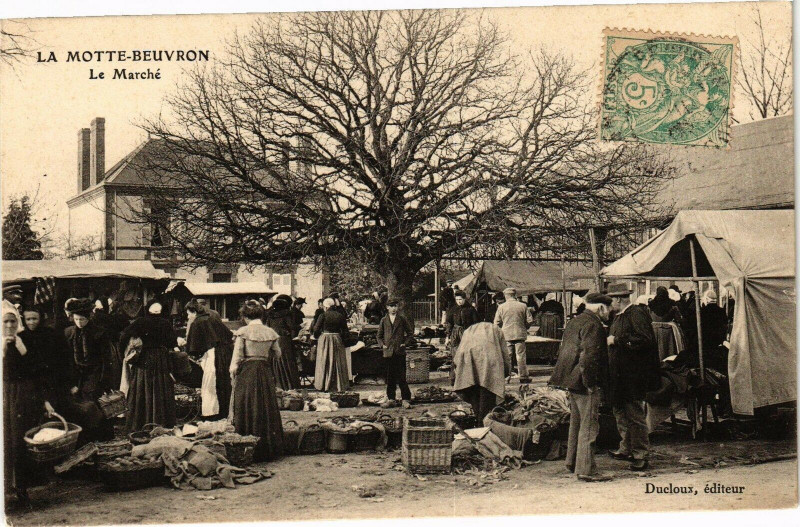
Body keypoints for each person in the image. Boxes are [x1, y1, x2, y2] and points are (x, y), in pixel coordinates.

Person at [548, 293, 612, 482]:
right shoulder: (595, 325)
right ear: (601, 308)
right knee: (589, 426)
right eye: (609, 309)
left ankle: (572, 461)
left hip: (570, 379)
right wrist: (590, 383)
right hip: (584, 382)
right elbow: (589, 358)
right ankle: (586, 470)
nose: (610, 312)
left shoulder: (575, 321)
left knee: (576, 423)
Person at [4, 303, 59, 507]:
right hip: (3, 395)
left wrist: (44, 400)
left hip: (21, 397)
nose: (9, 325)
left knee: (19, 440)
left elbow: (35, 373)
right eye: (5, 321)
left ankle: (20, 488)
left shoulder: (23, 342)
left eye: (12, 321)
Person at [606, 283, 660, 471]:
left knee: (635, 415)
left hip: (633, 375)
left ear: (618, 299)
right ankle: (626, 448)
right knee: (620, 412)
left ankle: (640, 454)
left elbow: (645, 339)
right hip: (621, 375)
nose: (609, 304)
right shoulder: (620, 316)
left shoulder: (636, 313)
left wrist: (617, 340)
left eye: (610, 300)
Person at [119, 300, 192, 432]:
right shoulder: (165, 323)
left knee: (141, 387)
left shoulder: (140, 322)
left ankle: (140, 422)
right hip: (160, 359)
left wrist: (124, 352)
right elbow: (171, 342)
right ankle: (162, 422)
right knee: (161, 388)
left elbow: (124, 335)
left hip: (144, 359)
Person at [230, 300, 284, 461]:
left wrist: (233, 371)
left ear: (245, 317)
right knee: (266, 404)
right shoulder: (270, 332)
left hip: (248, 371)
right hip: (264, 370)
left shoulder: (243, 332)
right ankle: (268, 446)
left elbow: (237, 357)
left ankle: (247, 443)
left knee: (246, 403)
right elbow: (277, 354)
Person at [64, 298, 115, 442]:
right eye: (76, 319)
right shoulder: (69, 333)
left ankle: (100, 435)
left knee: (93, 402)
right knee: (78, 403)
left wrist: (104, 379)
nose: (79, 323)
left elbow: (106, 359)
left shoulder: (99, 333)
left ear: (88, 318)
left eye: (82, 319)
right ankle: (84, 436)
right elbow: (67, 358)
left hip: (95, 372)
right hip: (77, 373)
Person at [185, 300, 234, 420]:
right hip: (226, 353)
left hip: (213, 355)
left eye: (188, 313)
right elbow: (228, 334)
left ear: (194, 311)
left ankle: (212, 414)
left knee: (210, 384)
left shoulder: (197, 322)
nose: (188, 316)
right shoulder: (212, 318)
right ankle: (226, 411)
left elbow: (193, 348)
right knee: (224, 382)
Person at [452, 322, 510, 423]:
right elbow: (505, 353)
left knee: (473, 387)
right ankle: (483, 421)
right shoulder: (496, 329)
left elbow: (459, 352)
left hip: (469, 359)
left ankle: (478, 418)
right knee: (488, 389)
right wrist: (507, 370)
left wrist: (457, 368)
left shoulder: (469, 330)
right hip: (489, 360)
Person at [376, 298, 415, 409]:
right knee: (390, 377)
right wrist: (382, 345)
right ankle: (391, 399)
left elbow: (410, 333)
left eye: (395, 306)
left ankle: (406, 399)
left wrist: (405, 343)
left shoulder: (402, 319)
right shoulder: (384, 320)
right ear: (387, 307)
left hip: (399, 352)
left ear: (398, 308)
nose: (394, 308)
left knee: (402, 376)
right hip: (388, 352)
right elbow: (379, 336)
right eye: (391, 306)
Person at [312, 298, 350, 392]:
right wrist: (344, 341)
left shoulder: (323, 315)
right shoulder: (340, 315)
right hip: (337, 338)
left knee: (324, 360)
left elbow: (316, 329)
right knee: (337, 360)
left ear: (325, 306)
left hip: (325, 338)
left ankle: (324, 384)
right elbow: (345, 331)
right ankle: (338, 384)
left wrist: (316, 336)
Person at [493, 287, 531, 383]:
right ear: (515, 295)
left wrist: (501, 330)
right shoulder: (523, 306)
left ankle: (506, 377)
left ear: (506, 296)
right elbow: (530, 320)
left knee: (507, 357)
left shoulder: (501, 307)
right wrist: (524, 327)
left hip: (506, 335)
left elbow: (496, 323)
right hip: (520, 334)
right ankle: (523, 377)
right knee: (521, 356)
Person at [265, 294, 301, 390]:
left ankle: (277, 384)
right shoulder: (286, 314)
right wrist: (300, 326)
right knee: (287, 361)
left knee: (275, 362)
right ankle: (289, 385)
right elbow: (291, 326)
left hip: (273, 340)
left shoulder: (270, 315)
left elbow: (267, 328)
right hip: (284, 340)